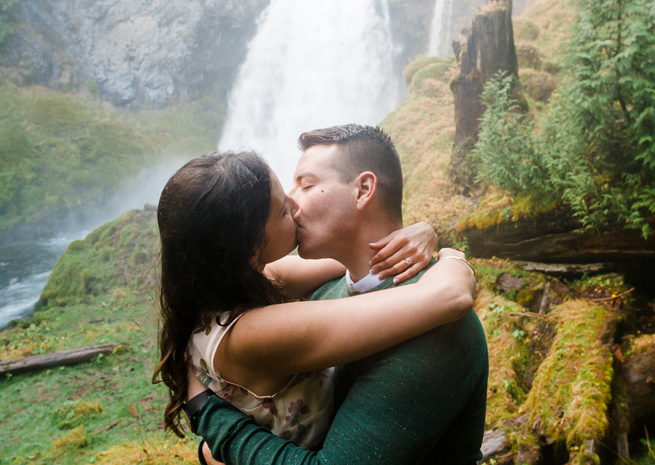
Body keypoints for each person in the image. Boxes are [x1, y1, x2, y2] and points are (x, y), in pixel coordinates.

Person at [188, 124, 489, 464]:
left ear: (363, 190)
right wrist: (442, 245)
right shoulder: (323, 287)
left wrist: (211, 427)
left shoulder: (434, 330)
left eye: (307, 184)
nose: (289, 202)